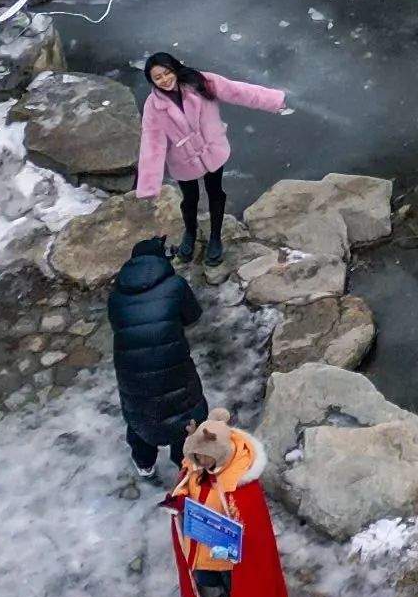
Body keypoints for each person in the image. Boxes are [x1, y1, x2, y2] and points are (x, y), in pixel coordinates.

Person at [136, 52, 288, 270]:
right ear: (152, 82)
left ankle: (215, 237)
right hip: (183, 159)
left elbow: (237, 91)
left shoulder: (200, 82)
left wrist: (274, 100)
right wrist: (149, 184)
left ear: (175, 69)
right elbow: (152, 142)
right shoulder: (153, 106)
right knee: (190, 199)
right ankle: (190, 232)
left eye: (167, 73)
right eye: (158, 77)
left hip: (211, 150)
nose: (165, 80)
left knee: (215, 193)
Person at [165, 413, 296, 597]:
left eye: (205, 459)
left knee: (238, 585)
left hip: (228, 555)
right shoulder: (195, 466)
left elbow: (250, 524)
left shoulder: (240, 484)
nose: (200, 463)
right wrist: (180, 501)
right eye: (197, 458)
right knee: (206, 578)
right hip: (203, 544)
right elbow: (186, 486)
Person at [105, 235, 209, 485]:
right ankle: (185, 466)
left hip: (133, 373)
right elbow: (192, 315)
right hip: (174, 370)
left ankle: (145, 466)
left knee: (141, 418)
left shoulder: (116, 296)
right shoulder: (175, 286)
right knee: (185, 418)